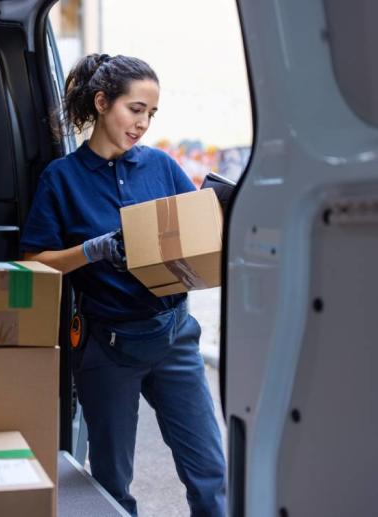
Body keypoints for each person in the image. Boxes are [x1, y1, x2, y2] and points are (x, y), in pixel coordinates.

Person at [20, 53, 226, 516]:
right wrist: (92, 250)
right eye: (135, 109)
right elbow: (35, 262)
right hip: (109, 349)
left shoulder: (162, 166)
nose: (143, 124)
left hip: (174, 337)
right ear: (101, 102)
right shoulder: (62, 179)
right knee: (112, 484)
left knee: (210, 474)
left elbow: (197, 236)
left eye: (151, 114)